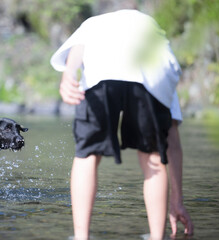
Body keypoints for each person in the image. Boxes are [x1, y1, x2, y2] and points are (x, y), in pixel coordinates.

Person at [50, 10, 194, 240]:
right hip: (152, 73)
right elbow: (172, 141)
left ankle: (81, 237)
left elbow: (79, 46)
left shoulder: (95, 24)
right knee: (153, 155)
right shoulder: (154, 39)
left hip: (102, 68)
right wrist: (177, 202)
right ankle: (157, 237)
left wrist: (69, 72)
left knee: (87, 153)